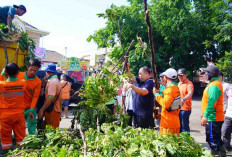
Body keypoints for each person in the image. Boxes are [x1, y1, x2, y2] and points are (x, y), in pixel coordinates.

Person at [0, 59, 41, 135]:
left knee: (32, 128)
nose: (32, 72)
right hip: (19, 109)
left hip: (30, 108)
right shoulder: (19, 75)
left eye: (35, 70)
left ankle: (32, 143)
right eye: (31, 69)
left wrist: (31, 109)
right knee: (18, 129)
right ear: (27, 67)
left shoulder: (38, 81)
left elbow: (35, 97)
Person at [0, 63, 26, 154]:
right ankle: (21, 154)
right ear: (18, 72)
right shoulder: (23, 83)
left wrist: (2, 74)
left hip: (6, 115)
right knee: (21, 137)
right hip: (19, 115)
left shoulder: (2, 84)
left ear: (6, 72)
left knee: (6, 137)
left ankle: (7, 153)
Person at [201, 65, 226, 156]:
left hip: (213, 117)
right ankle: (219, 154)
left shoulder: (214, 86)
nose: (205, 74)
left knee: (213, 139)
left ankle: (218, 154)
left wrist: (205, 116)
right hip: (213, 117)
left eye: (206, 72)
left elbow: (211, 103)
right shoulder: (213, 84)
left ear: (211, 74)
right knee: (215, 139)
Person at [153, 68, 181, 136]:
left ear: (165, 77)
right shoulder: (175, 87)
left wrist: (156, 95)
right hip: (173, 121)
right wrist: (160, 115)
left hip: (168, 125)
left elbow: (165, 104)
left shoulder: (170, 90)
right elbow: (171, 107)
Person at [38, 64, 62, 129]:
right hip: (53, 110)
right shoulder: (55, 80)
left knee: (51, 132)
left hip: (53, 110)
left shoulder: (52, 82)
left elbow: (51, 98)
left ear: (47, 72)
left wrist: (42, 109)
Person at [177, 68, 194, 133]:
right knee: (179, 126)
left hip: (185, 108)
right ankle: (181, 142)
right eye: (179, 75)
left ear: (186, 75)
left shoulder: (189, 83)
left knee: (184, 127)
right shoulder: (179, 83)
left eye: (181, 75)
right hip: (178, 108)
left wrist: (183, 99)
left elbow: (190, 93)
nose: (180, 77)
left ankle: (186, 142)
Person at [222, 84, 232, 151]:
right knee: (225, 132)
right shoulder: (228, 87)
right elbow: (224, 98)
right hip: (229, 114)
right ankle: (226, 148)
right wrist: (224, 109)